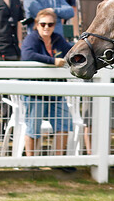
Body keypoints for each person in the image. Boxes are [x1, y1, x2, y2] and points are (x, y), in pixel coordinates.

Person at [20, 8, 74, 158]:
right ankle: (31, 163)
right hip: (34, 90)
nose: (46, 27)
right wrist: (53, 61)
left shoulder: (58, 38)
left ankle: (58, 161)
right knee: (33, 126)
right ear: (36, 24)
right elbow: (27, 54)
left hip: (55, 90)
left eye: (50, 24)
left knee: (64, 124)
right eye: (43, 24)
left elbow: (71, 51)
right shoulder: (31, 38)